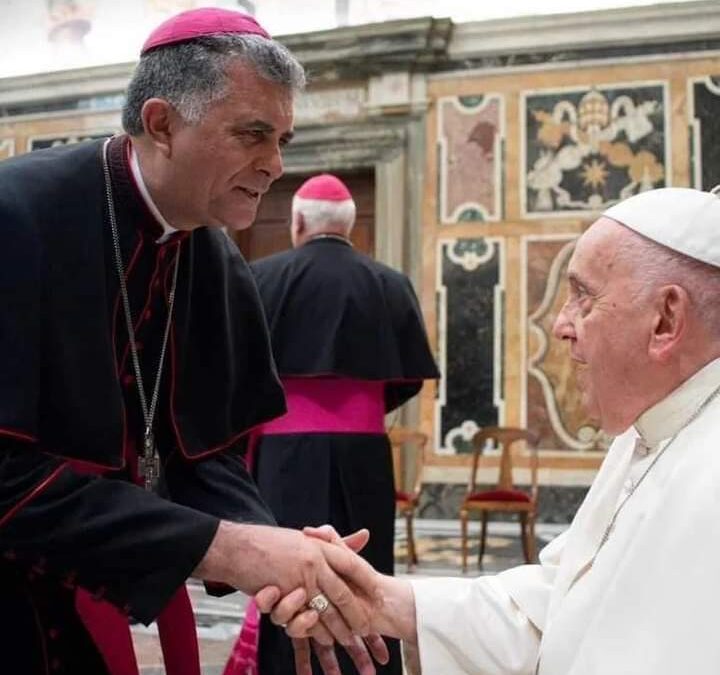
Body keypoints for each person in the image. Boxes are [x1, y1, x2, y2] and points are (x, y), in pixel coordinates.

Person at [0, 8, 378, 675]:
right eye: (253, 135)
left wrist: (270, 544)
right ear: (161, 123)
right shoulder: (17, 216)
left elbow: (204, 453)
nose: (276, 164)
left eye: (283, 137)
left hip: (93, 578)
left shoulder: (211, 252)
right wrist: (224, 546)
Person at [258, 185, 720, 674]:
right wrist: (386, 601)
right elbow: (558, 608)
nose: (559, 325)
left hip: (285, 456)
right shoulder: (643, 436)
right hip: (366, 454)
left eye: (582, 296)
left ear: (666, 319)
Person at [226, 174, 438, 675]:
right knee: (366, 573)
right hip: (364, 456)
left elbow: (231, 374)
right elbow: (406, 380)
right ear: (350, 225)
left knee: (288, 574)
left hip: (284, 457)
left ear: (297, 221)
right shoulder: (390, 282)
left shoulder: (259, 278)